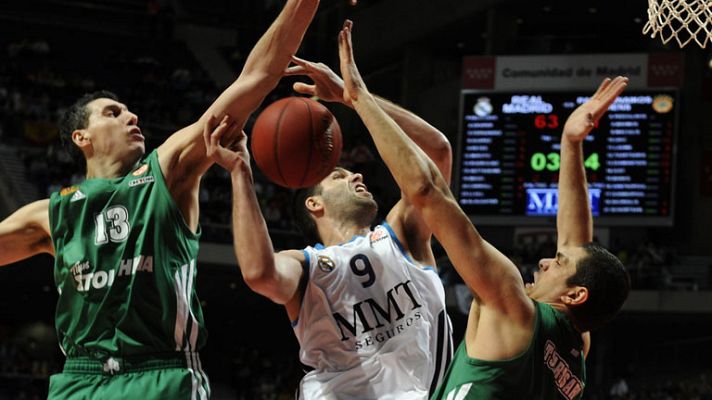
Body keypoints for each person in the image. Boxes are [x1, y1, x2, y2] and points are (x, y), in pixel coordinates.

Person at [0, 0, 327, 398]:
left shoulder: (167, 170)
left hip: (160, 374)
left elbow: (255, 77)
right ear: (81, 138)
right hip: (79, 380)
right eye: (113, 113)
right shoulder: (50, 215)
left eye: (130, 111)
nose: (131, 117)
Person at [317, 29, 630, 399]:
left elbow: (426, 191)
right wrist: (570, 142)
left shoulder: (512, 303)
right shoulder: (574, 348)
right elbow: (577, 243)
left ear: (576, 295)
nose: (546, 261)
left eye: (558, 263)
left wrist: (360, 97)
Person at [205, 21, 453, 400]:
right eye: (338, 175)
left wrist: (354, 97)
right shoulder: (307, 268)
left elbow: (437, 151)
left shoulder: (404, 232)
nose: (355, 172)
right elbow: (258, 273)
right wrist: (240, 172)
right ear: (313, 203)